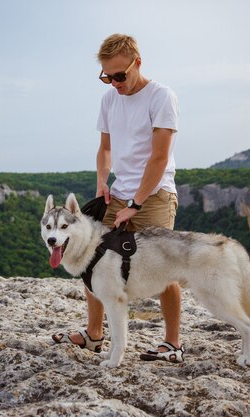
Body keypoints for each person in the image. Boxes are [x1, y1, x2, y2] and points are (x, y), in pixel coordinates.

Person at [52, 33, 183, 362]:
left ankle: (172, 344)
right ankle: (94, 336)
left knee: (162, 267)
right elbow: (105, 148)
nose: (114, 83)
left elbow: (159, 158)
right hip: (120, 193)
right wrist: (102, 182)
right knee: (89, 258)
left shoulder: (161, 97)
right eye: (106, 77)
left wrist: (136, 203)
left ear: (138, 63)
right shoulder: (110, 99)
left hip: (155, 195)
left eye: (120, 75)